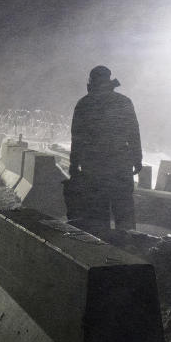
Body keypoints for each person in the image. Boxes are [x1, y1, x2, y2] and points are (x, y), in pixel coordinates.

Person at [67, 65, 143, 233]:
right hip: (121, 166)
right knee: (124, 213)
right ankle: (129, 250)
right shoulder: (124, 101)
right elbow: (133, 133)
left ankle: (103, 252)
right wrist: (137, 159)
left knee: (98, 216)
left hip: (93, 168)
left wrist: (74, 167)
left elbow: (77, 138)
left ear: (91, 82)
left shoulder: (84, 104)